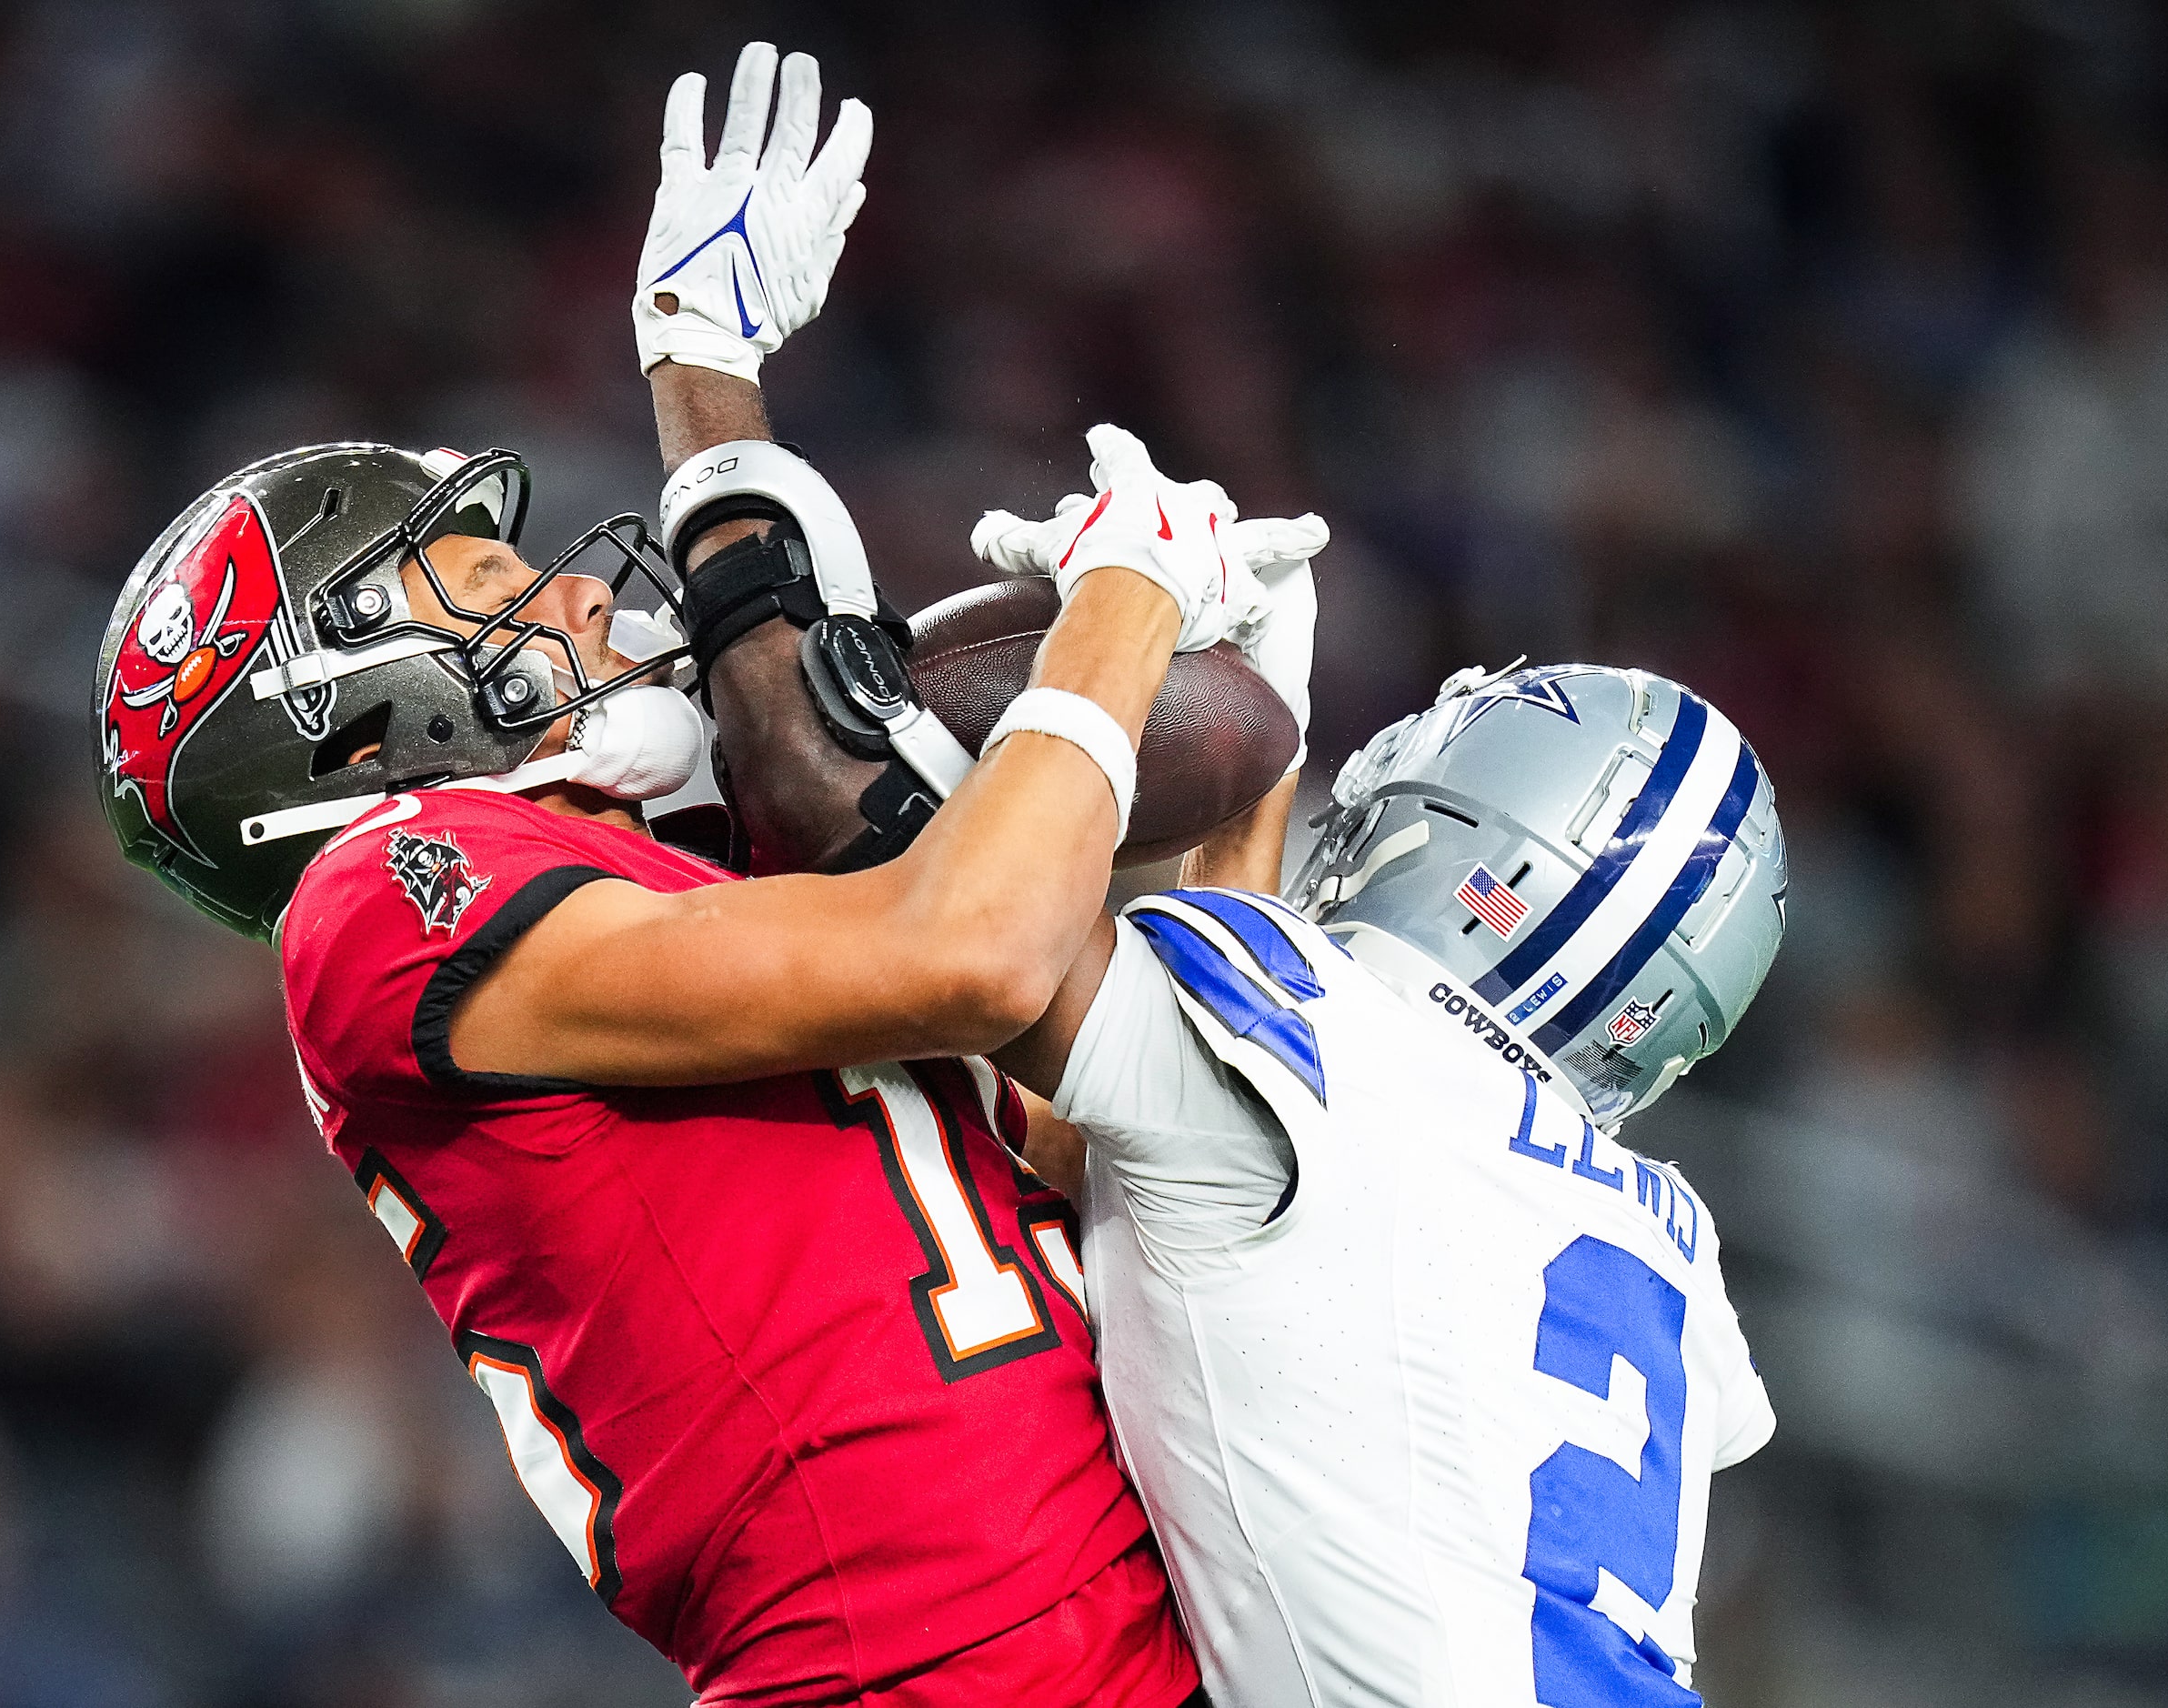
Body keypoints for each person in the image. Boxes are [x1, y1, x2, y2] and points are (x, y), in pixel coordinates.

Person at [91, 41, 1315, 1708]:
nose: (577, 596)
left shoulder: (666, 880)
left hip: (1126, 1631)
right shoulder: (389, 895)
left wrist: (1264, 750)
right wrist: (1120, 606)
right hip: (914, 1670)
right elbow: (975, 948)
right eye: (485, 573)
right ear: (335, 704)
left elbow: (1123, 1122)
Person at [947, 511, 1788, 1703]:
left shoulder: (1313, 1049)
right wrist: (1260, 757)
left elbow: (981, 943)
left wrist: (1119, 618)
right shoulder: (1673, 1236)